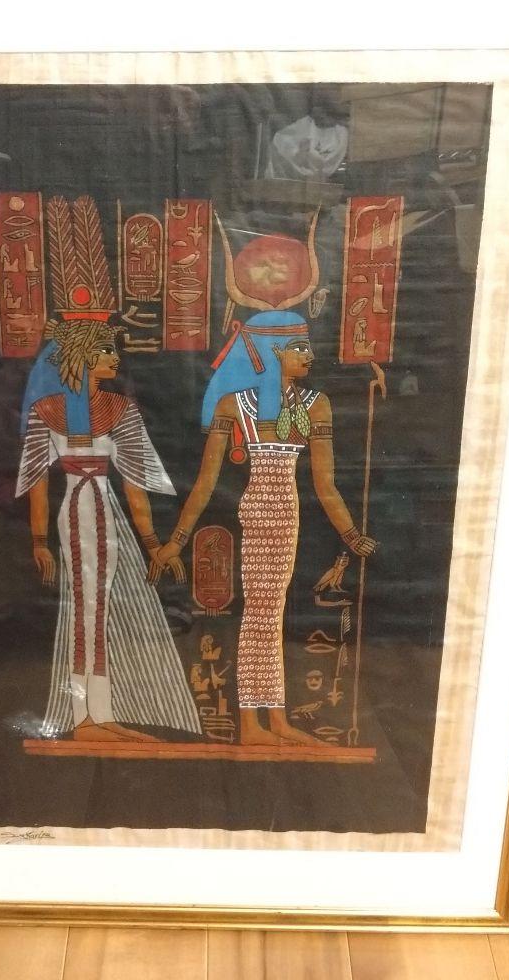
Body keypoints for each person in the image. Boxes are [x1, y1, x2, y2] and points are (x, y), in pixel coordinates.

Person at [156, 310, 376, 746]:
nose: (309, 356)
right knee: (261, 615)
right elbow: (205, 482)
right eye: (299, 348)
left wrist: (351, 534)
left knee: (268, 617)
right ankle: (254, 725)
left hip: (286, 513)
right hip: (259, 511)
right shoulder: (234, 405)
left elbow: (325, 484)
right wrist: (178, 540)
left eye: (308, 347)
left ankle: (272, 721)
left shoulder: (316, 404)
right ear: (272, 352)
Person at [16, 316, 201, 743]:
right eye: (105, 350)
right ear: (81, 357)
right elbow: (37, 486)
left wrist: (152, 543)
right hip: (77, 511)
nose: (115, 358)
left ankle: (98, 714)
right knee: (85, 611)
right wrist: (39, 542)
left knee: (97, 611)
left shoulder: (119, 408)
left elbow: (135, 488)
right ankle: (86, 718)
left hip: (103, 509)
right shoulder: (47, 410)